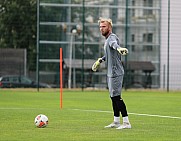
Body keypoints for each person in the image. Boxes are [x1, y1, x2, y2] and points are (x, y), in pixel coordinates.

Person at [92, 17, 131, 129]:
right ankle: (116, 121)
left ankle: (126, 122)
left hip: (116, 72)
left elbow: (114, 45)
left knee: (117, 97)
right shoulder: (107, 39)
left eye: (104, 26)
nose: (101, 29)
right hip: (110, 73)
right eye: (100, 27)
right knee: (113, 97)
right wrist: (100, 60)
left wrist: (119, 49)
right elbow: (109, 53)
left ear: (109, 27)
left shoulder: (112, 37)